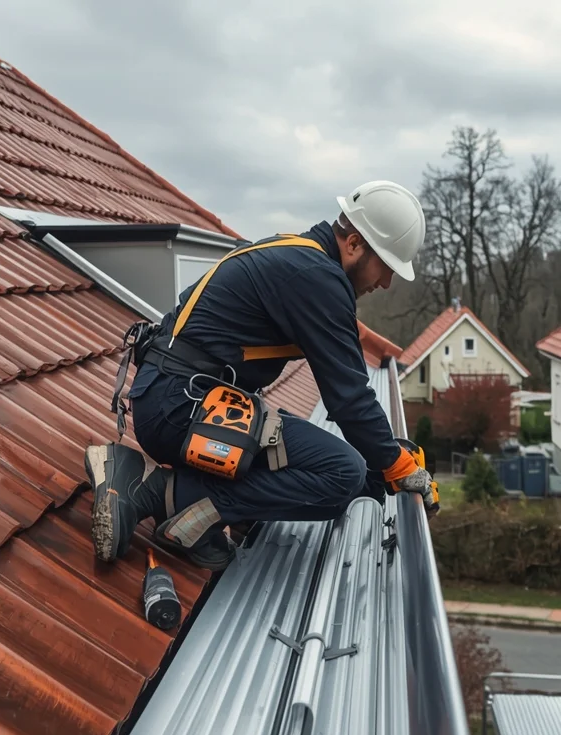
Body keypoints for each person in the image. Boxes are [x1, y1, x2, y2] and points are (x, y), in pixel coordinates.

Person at [84, 180, 437, 571]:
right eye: (385, 267)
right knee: (341, 472)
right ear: (354, 243)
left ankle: (188, 505)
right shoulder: (317, 278)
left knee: (344, 468)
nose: (385, 283)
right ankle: (154, 491)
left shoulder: (301, 258)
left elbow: (349, 395)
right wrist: (398, 466)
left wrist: (386, 459)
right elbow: (349, 397)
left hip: (179, 399)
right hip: (178, 407)